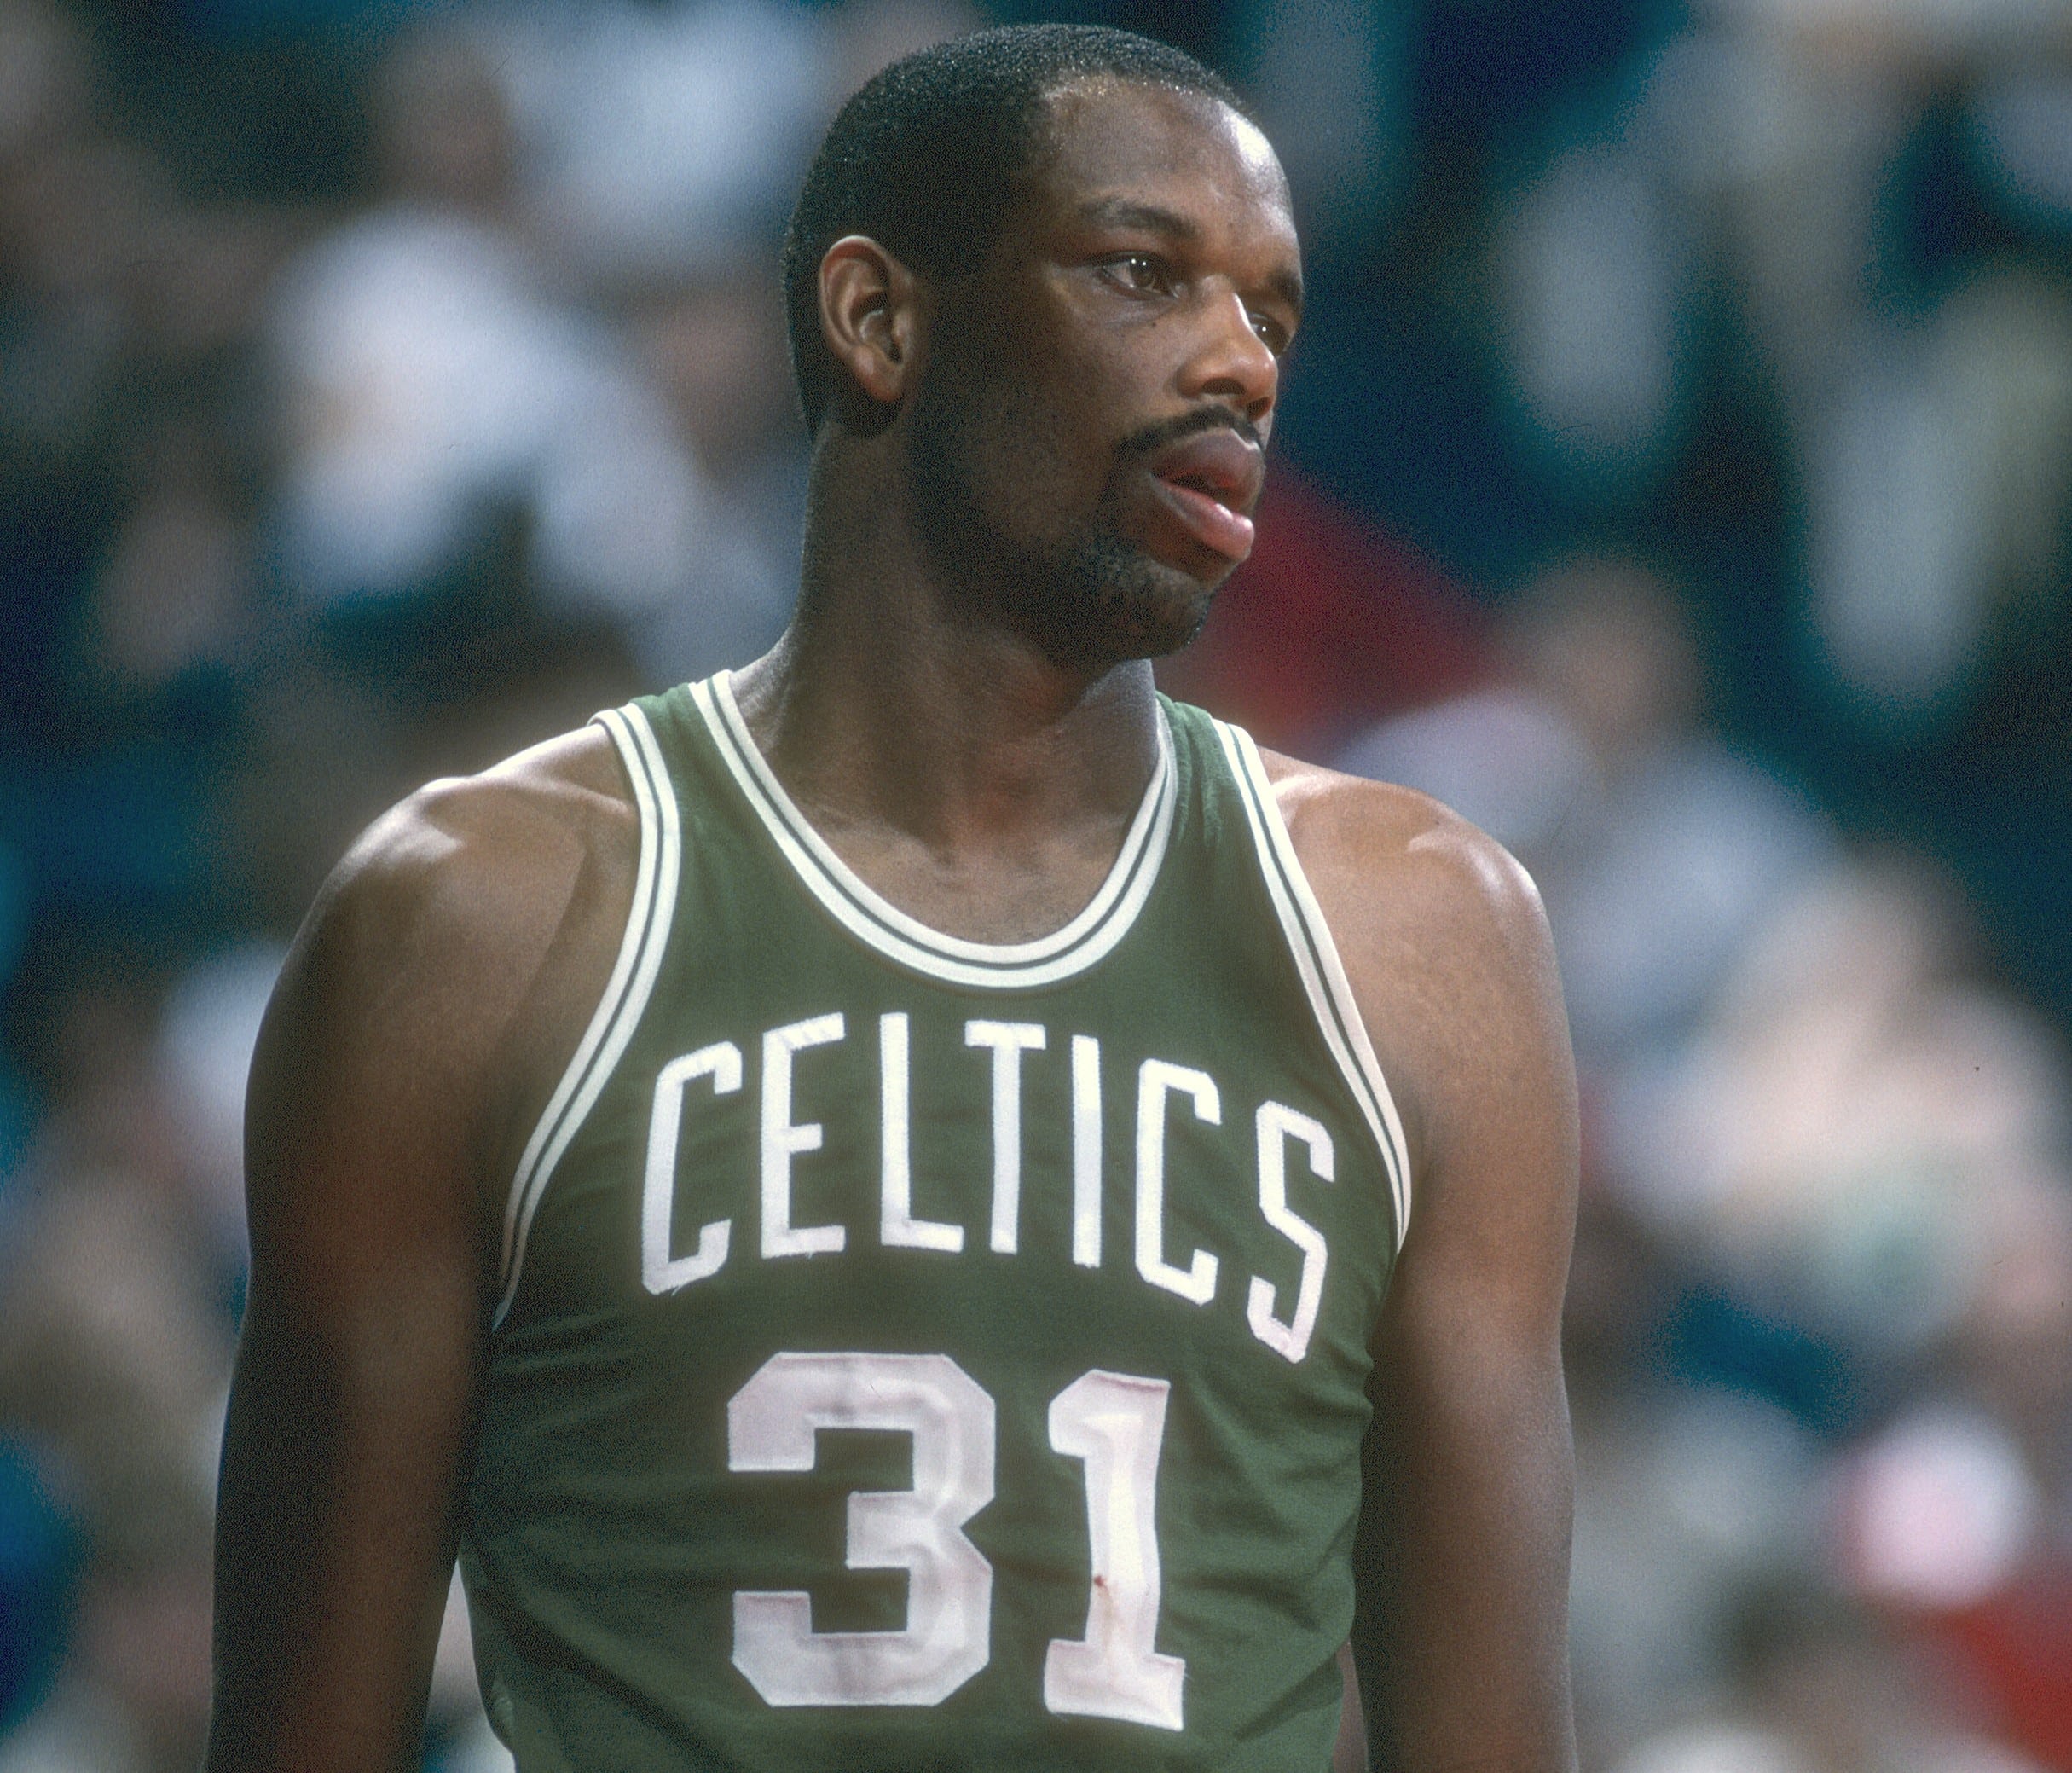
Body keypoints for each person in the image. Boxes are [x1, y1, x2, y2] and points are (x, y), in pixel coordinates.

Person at [205, 25, 1578, 1773]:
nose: (1238, 361)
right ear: (880, 318)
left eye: (1275, 312)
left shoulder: (1426, 936)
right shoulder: (469, 919)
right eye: (1146, 273)